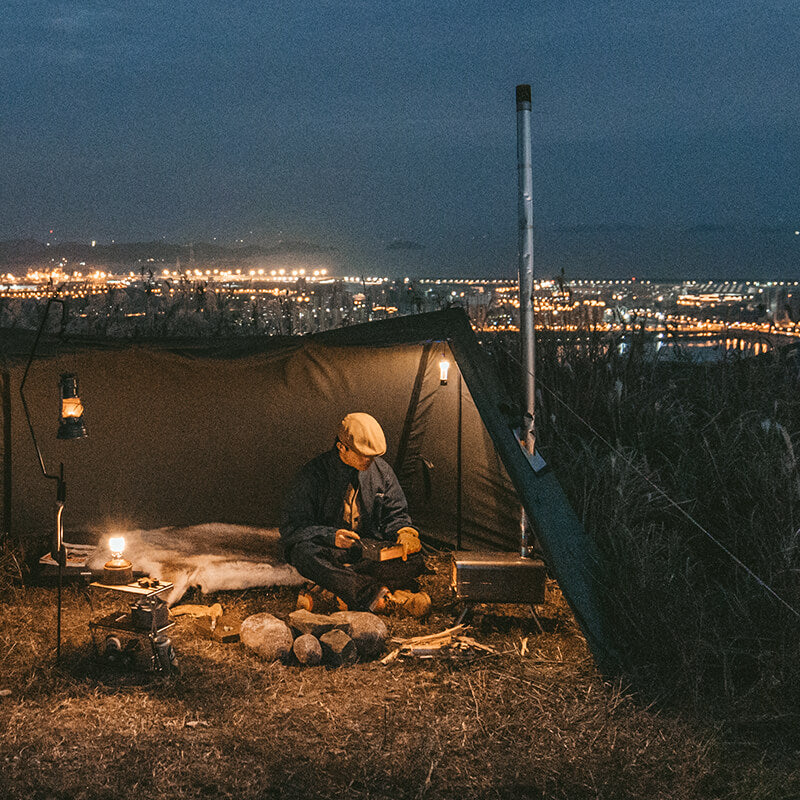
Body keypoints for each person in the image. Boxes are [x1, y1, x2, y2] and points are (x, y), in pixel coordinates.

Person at [280, 412, 430, 616]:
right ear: (341, 447)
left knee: (416, 560)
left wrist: (405, 532)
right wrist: (331, 536)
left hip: (367, 552)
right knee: (303, 554)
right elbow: (293, 527)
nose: (369, 460)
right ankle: (373, 596)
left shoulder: (381, 471)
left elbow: (396, 513)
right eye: (363, 454)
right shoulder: (313, 475)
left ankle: (334, 591)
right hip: (331, 551)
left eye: (373, 455)